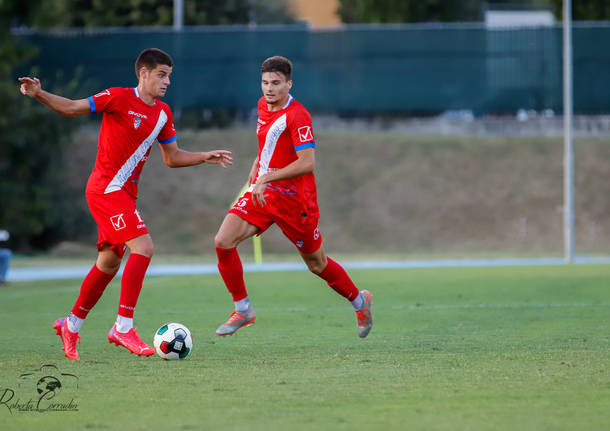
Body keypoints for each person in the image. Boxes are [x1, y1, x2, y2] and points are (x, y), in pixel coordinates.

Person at [19, 48, 232, 360]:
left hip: (125, 194)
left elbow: (172, 158)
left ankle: (71, 324)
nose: (167, 81)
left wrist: (203, 156)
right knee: (143, 247)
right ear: (143, 74)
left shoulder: (163, 113)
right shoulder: (117, 97)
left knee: (108, 262)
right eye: (161, 75)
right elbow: (73, 108)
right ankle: (122, 327)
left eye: (169, 76)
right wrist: (39, 94)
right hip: (106, 190)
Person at [214, 56, 372, 338]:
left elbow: (307, 162)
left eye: (276, 83)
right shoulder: (263, 106)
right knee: (223, 241)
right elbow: (267, 144)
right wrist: (257, 168)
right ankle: (243, 309)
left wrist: (265, 177)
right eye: (264, 83)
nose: (269, 89)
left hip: (295, 202)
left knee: (316, 264)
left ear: (289, 84)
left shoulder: (298, 116)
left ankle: (360, 302)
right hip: (262, 195)